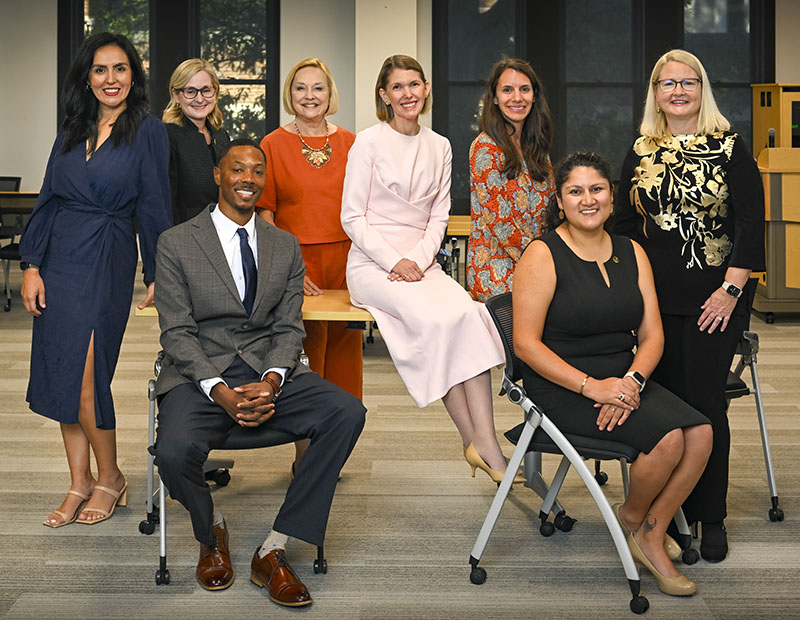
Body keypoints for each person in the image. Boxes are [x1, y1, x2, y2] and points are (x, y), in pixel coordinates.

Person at [152, 138, 366, 606]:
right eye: (237, 169)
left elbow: (289, 326)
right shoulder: (176, 242)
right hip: (200, 376)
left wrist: (272, 380)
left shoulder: (285, 246)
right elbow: (177, 334)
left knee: (346, 412)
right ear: (218, 176)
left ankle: (274, 548)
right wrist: (221, 390)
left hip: (268, 370)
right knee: (171, 451)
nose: (247, 179)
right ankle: (211, 534)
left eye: (256, 171)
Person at [513, 151, 712, 596]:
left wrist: (632, 383)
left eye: (597, 189)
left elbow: (652, 333)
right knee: (668, 440)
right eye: (576, 191)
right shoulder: (542, 254)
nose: (588, 199)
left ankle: (644, 528)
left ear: (611, 195)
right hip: (563, 384)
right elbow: (525, 344)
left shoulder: (632, 250)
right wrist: (593, 388)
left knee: (701, 433)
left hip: (624, 379)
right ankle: (639, 527)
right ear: (560, 201)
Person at [612, 49, 766, 563]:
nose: (677, 91)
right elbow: (626, 228)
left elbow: (749, 222)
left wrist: (731, 290)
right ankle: (669, 514)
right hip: (654, 301)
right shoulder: (640, 149)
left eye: (688, 82)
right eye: (666, 83)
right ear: (655, 92)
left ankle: (711, 515)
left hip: (714, 302)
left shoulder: (729, 146)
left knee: (704, 407)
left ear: (703, 89)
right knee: (665, 409)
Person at [341, 54, 518, 484]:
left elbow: (439, 217)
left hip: (422, 264)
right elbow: (352, 217)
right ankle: (473, 438)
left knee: (470, 316)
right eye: (398, 87)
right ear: (384, 95)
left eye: (414, 85)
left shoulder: (440, 145)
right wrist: (394, 261)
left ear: (425, 89)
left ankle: (485, 440)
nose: (408, 94)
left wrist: (418, 261)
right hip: (372, 264)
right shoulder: (367, 141)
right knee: (437, 323)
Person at [20, 32, 172, 528]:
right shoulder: (70, 129)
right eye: (102, 70)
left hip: (106, 256)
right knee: (64, 372)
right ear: (86, 78)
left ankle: (110, 477)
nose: (112, 79)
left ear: (134, 76)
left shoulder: (147, 131)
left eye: (121, 69)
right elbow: (48, 199)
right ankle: (79, 481)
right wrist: (31, 265)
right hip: (59, 259)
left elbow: (153, 205)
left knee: (87, 378)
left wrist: (157, 271)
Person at [256, 57, 362, 470]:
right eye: (301, 88)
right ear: (290, 95)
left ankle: (334, 449)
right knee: (303, 355)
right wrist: (288, 269)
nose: (309, 96)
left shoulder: (353, 143)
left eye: (318, 88)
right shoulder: (273, 144)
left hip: (348, 259)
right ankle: (305, 455)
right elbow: (265, 213)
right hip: (298, 262)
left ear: (330, 94)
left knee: (344, 354)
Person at [467, 58, 556, 301]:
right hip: (498, 271)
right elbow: (501, 222)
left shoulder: (537, 149)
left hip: (538, 264)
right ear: (494, 97)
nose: (517, 98)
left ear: (534, 96)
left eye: (524, 89)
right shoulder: (485, 148)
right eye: (507, 90)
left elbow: (551, 211)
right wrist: (546, 264)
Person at [162, 58, 231, 224]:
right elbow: (165, 202)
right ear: (176, 95)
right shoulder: (167, 136)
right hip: (185, 235)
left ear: (215, 93)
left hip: (222, 235)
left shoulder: (221, 136)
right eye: (191, 91)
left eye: (206, 90)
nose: (200, 99)